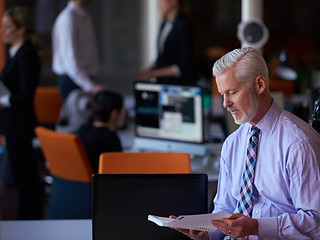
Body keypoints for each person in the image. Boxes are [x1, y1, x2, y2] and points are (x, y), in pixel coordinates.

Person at [173, 47, 320, 239]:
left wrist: (258, 227)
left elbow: (316, 222)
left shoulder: (299, 143)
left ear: (259, 85)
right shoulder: (232, 143)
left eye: (232, 92)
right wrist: (208, 235)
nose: (225, 103)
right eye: (222, 94)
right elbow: (225, 209)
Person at [0, 6, 44, 219]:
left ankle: (28, 223)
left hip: (20, 124)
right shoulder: (15, 51)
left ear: (21, 29)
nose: (3, 31)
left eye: (7, 27)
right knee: (21, 177)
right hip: (13, 123)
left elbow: (26, 94)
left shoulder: (26, 54)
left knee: (25, 179)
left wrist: (3, 99)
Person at [51, 0, 105, 102]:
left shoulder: (85, 15)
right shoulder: (67, 18)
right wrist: (89, 86)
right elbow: (69, 61)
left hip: (85, 78)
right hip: (73, 80)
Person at [135, 0, 195, 84]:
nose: (159, 5)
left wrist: (152, 74)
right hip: (163, 83)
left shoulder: (184, 26)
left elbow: (184, 66)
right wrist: (146, 72)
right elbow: (161, 59)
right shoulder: (164, 24)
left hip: (177, 84)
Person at [76, 90, 124, 172]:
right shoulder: (110, 138)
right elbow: (118, 171)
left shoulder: (82, 129)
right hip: (101, 183)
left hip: (82, 182)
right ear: (114, 113)